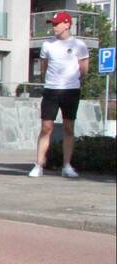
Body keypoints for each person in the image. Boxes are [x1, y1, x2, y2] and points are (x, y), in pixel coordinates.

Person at [29, 11, 89, 178]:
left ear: (67, 24)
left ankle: (67, 166)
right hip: (51, 90)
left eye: (57, 24)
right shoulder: (47, 45)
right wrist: (51, 81)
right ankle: (39, 165)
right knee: (46, 127)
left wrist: (73, 81)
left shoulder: (79, 45)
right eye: (53, 24)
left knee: (68, 127)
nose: (54, 27)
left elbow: (84, 69)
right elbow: (44, 67)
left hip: (71, 90)